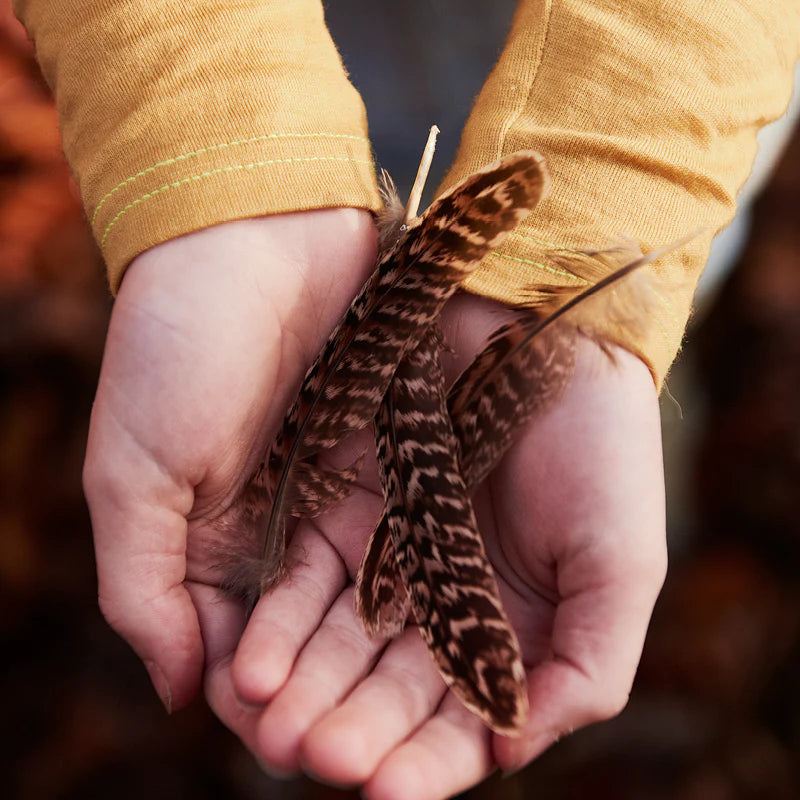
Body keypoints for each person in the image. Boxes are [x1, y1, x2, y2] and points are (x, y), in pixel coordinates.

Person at [13, 1, 800, 797]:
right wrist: (221, 161)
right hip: (274, 69)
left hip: (671, 102)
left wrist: (602, 195)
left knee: (632, 323)